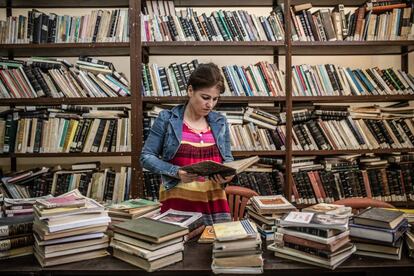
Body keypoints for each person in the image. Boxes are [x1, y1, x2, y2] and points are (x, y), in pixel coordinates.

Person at [140, 63, 234, 225]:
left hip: (215, 203)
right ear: (190, 91)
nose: (210, 105)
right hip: (178, 203)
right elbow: (145, 157)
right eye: (205, 97)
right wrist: (176, 172)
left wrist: (228, 175)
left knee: (216, 247)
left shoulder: (220, 122)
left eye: (215, 99)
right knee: (178, 246)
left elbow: (228, 159)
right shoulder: (167, 119)